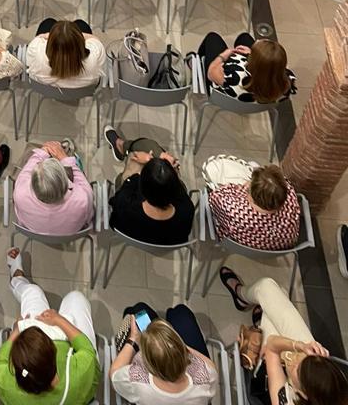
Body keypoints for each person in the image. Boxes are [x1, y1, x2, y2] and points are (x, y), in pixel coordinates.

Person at [217, 270, 348, 405]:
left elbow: (271, 346)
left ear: (303, 394)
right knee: (271, 291)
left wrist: (298, 348)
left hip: (268, 374)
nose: (295, 362)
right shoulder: (336, 388)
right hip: (299, 373)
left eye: (298, 368)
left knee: (272, 292)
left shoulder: (285, 401)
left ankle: (243, 298)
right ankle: (257, 317)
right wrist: (301, 346)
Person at [0, 247, 100, 404]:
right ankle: (17, 277)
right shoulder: (80, 372)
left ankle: (16, 275)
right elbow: (86, 348)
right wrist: (58, 320)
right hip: (76, 374)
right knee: (75, 297)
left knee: (33, 292)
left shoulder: (5, 383)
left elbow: (0, 361)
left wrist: (16, 330)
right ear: (55, 358)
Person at [110, 303, 218, 404]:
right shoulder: (204, 376)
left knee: (140, 310)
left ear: (147, 363)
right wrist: (181, 345)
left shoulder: (137, 380)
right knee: (180, 312)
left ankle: (131, 311)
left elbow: (114, 374)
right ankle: (171, 313)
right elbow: (211, 366)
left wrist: (133, 340)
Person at [104, 132, 195, 245]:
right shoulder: (187, 210)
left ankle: (122, 146)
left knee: (142, 147)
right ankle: (126, 146)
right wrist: (172, 172)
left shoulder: (125, 203)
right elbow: (179, 188)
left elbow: (125, 181)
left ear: (141, 187)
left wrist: (134, 161)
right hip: (165, 246)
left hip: (128, 233)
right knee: (148, 146)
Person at [207, 161, 301, 250]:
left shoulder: (234, 210)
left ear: (252, 195)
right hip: (278, 248)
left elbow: (213, 197)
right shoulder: (291, 197)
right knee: (252, 164)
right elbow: (284, 182)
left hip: (239, 244)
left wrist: (241, 188)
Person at [13, 141, 95, 236]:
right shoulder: (82, 199)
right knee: (74, 161)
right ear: (66, 183)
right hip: (70, 233)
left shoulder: (20, 191)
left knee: (29, 151)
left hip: (32, 230)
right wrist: (64, 158)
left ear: (33, 183)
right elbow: (80, 178)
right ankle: (68, 149)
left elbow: (27, 169)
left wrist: (44, 150)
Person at [197, 31, 296, 103]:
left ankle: (194, 65)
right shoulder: (287, 83)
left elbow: (211, 73)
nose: (257, 41)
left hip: (224, 98)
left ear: (253, 62)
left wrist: (223, 56)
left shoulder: (233, 74)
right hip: (255, 101)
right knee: (245, 38)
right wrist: (250, 53)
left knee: (213, 37)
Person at [26, 18, 105, 89]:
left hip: (46, 88)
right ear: (80, 42)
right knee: (80, 24)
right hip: (83, 90)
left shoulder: (36, 51)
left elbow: (39, 37)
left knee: (48, 23)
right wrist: (74, 36)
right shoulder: (95, 56)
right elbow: (95, 39)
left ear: (50, 43)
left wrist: (51, 35)